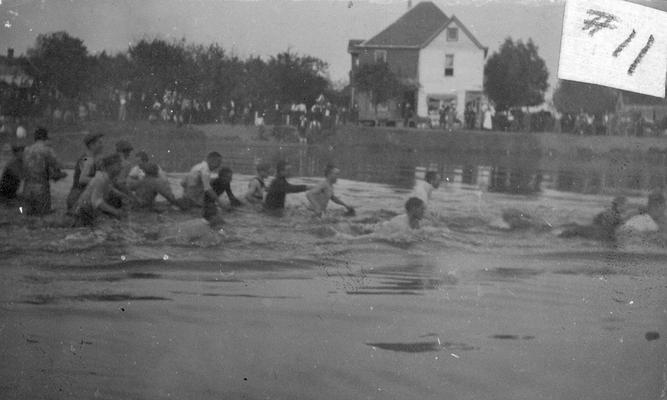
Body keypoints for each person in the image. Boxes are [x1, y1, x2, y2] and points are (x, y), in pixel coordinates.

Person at [22, 128, 67, 215]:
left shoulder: (26, 150)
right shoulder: (47, 150)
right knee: (43, 216)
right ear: (46, 137)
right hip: (41, 189)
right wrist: (61, 174)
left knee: (28, 216)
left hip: (27, 188)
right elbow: (59, 165)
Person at [72, 154, 126, 226]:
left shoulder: (106, 177)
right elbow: (96, 202)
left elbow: (110, 189)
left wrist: (124, 196)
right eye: (118, 164)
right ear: (110, 167)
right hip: (83, 213)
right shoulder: (101, 178)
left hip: (89, 212)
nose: (121, 167)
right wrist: (115, 211)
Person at [558, 196, 628, 240]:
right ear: (620, 205)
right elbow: (622, 220)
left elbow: (595, 221)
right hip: (586, 233)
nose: (626, 208)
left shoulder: (604, 213)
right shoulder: (615, 218)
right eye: (626, 205)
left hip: (582, 229)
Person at [66, 132, 104, 211]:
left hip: (77, 197)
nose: (102, 146)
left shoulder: (89, 158)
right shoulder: (87, 159)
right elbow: (82, 179)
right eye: (99, 143)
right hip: (78, 198)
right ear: (91, 145)